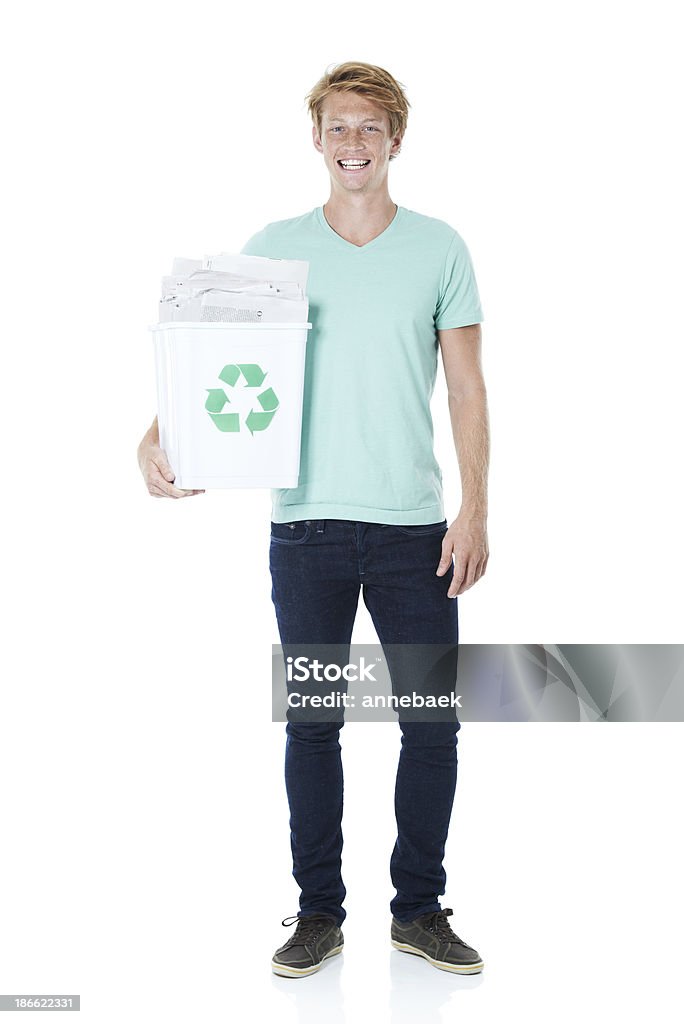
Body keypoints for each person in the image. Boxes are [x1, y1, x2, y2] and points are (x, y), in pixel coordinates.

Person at [137, 60, 490, 978]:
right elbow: (216, 358)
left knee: (431, 725)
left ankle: (418, 911)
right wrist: (158, 435)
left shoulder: (441, 248)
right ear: (317, 139)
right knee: (312, 725)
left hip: (416, 528)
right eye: (338, 127)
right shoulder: (276, 247)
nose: (353, 143)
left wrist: (476, 508)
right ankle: (317, 914)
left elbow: (465, 386)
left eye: (370, 127)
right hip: (306, 530)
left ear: (396, 140)